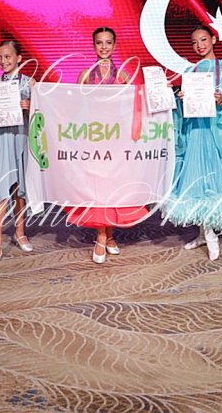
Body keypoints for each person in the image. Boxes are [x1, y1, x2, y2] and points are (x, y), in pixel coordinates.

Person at [162, 25, 222, 261]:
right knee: (197, 181)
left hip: (216, 132)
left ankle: (211, 235)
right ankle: (203, 233)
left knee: (213, 180)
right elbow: (185, 106)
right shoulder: (191, 71)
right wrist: (180, 98)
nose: (199, 45)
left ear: (213, 39)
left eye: (203, 40)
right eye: (194, 42)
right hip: (196, 131)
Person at [65, 27, 149, 264]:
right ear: (93, 46)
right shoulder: (85, 75)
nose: (104, 47)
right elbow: (74, 107)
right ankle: (101, 238)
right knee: (97, 189)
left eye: (108, 42)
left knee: (112, 188)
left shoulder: (123, 75)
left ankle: (109, 235)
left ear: (114, 45)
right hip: (93, 139)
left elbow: (134, 105)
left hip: (116, 139)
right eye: (99, 43)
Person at [0, 40, 35, 263]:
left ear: (19, 58)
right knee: (0, 185)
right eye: (0, 57)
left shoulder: (29, 83)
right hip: (2, 139)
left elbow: (41, 114)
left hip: (21, 137)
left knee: (19, 187)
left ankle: (20, 232)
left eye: (8, 56)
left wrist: (30, 106)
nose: (3, 61)